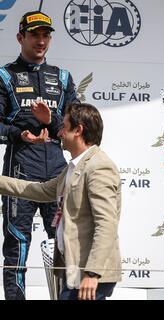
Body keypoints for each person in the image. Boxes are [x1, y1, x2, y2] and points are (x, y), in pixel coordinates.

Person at [0, 102, 121, 300]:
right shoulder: (72, 168)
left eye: (63, 126)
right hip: (76, 272)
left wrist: (93, 272)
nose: (59, 133)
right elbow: (38, 190)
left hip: (89, 277)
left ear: (78, 130)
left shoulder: (99, 167)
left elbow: (106, 224)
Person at [0, 11, 79, 299]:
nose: (41, 40)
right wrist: (18, 134)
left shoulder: (63, 77)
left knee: (65, 243)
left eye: (46, 35)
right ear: (21, 37)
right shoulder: (5, 76)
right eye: (34, 34)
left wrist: (50, 121)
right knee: (17, 243)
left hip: (58, 172)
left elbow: (77, 127)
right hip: (20, 171)